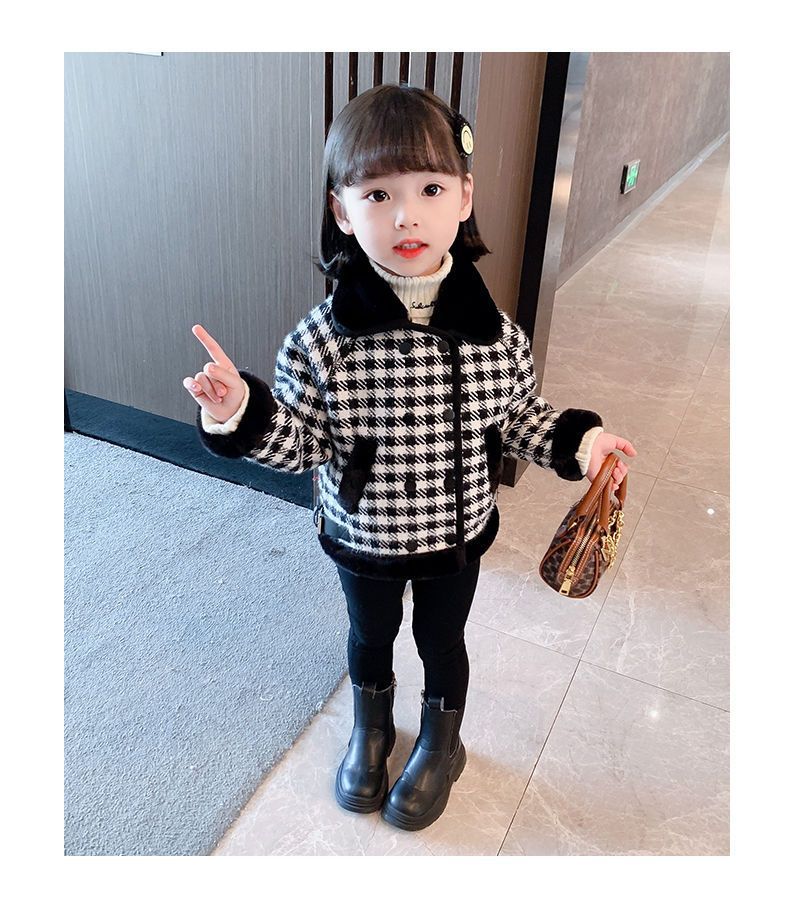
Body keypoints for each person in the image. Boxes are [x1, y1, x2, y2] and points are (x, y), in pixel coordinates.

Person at [183, 84, 637, 832]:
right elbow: (300, 442)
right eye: (377, 194)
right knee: (370, 635)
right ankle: (371, 728)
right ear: (341, 211)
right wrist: (239, 410)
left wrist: (580, 443)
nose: (406, 216)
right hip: (364, 534)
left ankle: (440, 741)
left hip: (455, 536)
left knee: (441, 638)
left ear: (464, 197)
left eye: (430, 189)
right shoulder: (321, 342)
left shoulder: (496, 336)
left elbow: (518, 419)